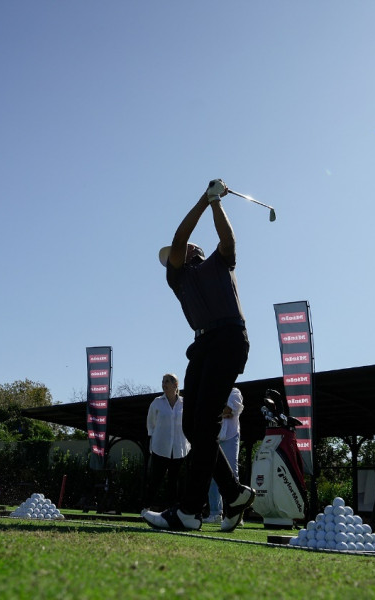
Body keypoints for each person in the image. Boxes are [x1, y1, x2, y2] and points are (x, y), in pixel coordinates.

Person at [143, 178, 254, 532]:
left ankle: (190, 511)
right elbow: (178, 240)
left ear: (200, 250)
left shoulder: (220, 261)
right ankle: (234, 493)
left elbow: (228, 239)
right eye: (172, 257)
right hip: (202, 345)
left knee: (203, 423)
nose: (178, 253)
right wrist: (204, 200)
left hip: (229, 338)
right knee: (194, 426)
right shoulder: (178, 278)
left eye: (189, 247)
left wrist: (216, 202)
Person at [142, 373, 191, 514]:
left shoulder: (185, 403)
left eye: (167, 381)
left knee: (174, 481)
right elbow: (150, 424)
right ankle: (145, 508)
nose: (164, 384)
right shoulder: (157, 402)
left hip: (179, 448)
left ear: (176, 385)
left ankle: (172, 510)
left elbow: (189, 423)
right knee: (155, 479)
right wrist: (154, 438)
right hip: (160, 447)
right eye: (163, 381)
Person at [203, 387, 244, 524]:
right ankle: (215, 513)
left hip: (230, 437)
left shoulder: (234, 392)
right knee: (213, 475)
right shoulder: (212, 391)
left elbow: (229, 410)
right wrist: (221, 411)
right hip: (215, 437)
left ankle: (236, 514)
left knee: (233, 473)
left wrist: (216, 411)